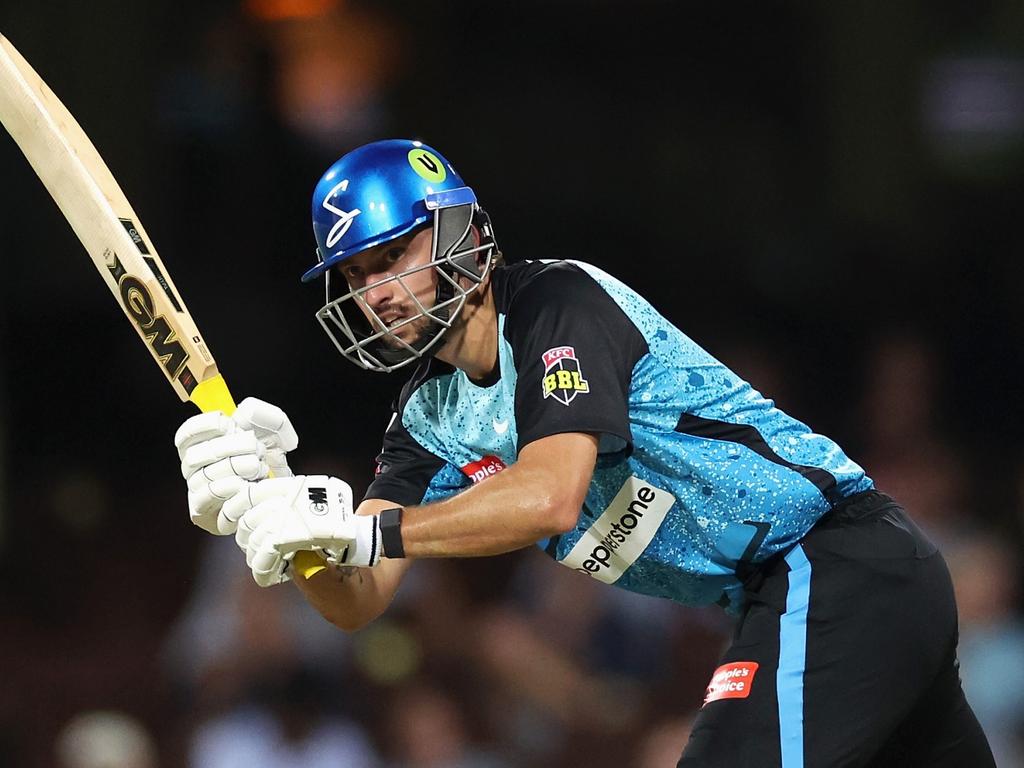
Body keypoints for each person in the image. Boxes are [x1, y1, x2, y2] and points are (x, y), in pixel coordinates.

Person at [174, 139, 995, 767]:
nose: (376, 292)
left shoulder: (558, 304)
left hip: (838, 562)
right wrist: (287, 523)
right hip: (788, 597)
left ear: (461, 232)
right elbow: (358, 600)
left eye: (391, 258)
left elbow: (550, 497)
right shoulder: (425, 416)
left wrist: (368, 533)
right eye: (357, 274)